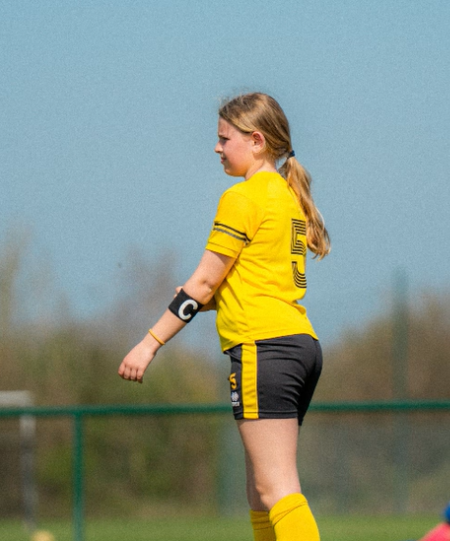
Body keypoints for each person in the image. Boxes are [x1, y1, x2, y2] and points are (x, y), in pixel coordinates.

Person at [118, 92, 330, 541]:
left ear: (256, 141)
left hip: (263, 348)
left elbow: (203, 284)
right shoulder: (288, 197)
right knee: (260, 489)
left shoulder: (243, 197)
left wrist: (149, 342)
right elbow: (246, 281)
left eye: (223, 139)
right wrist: (209, 298)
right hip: (299, 345)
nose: (216, 148)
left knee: (276, 487)